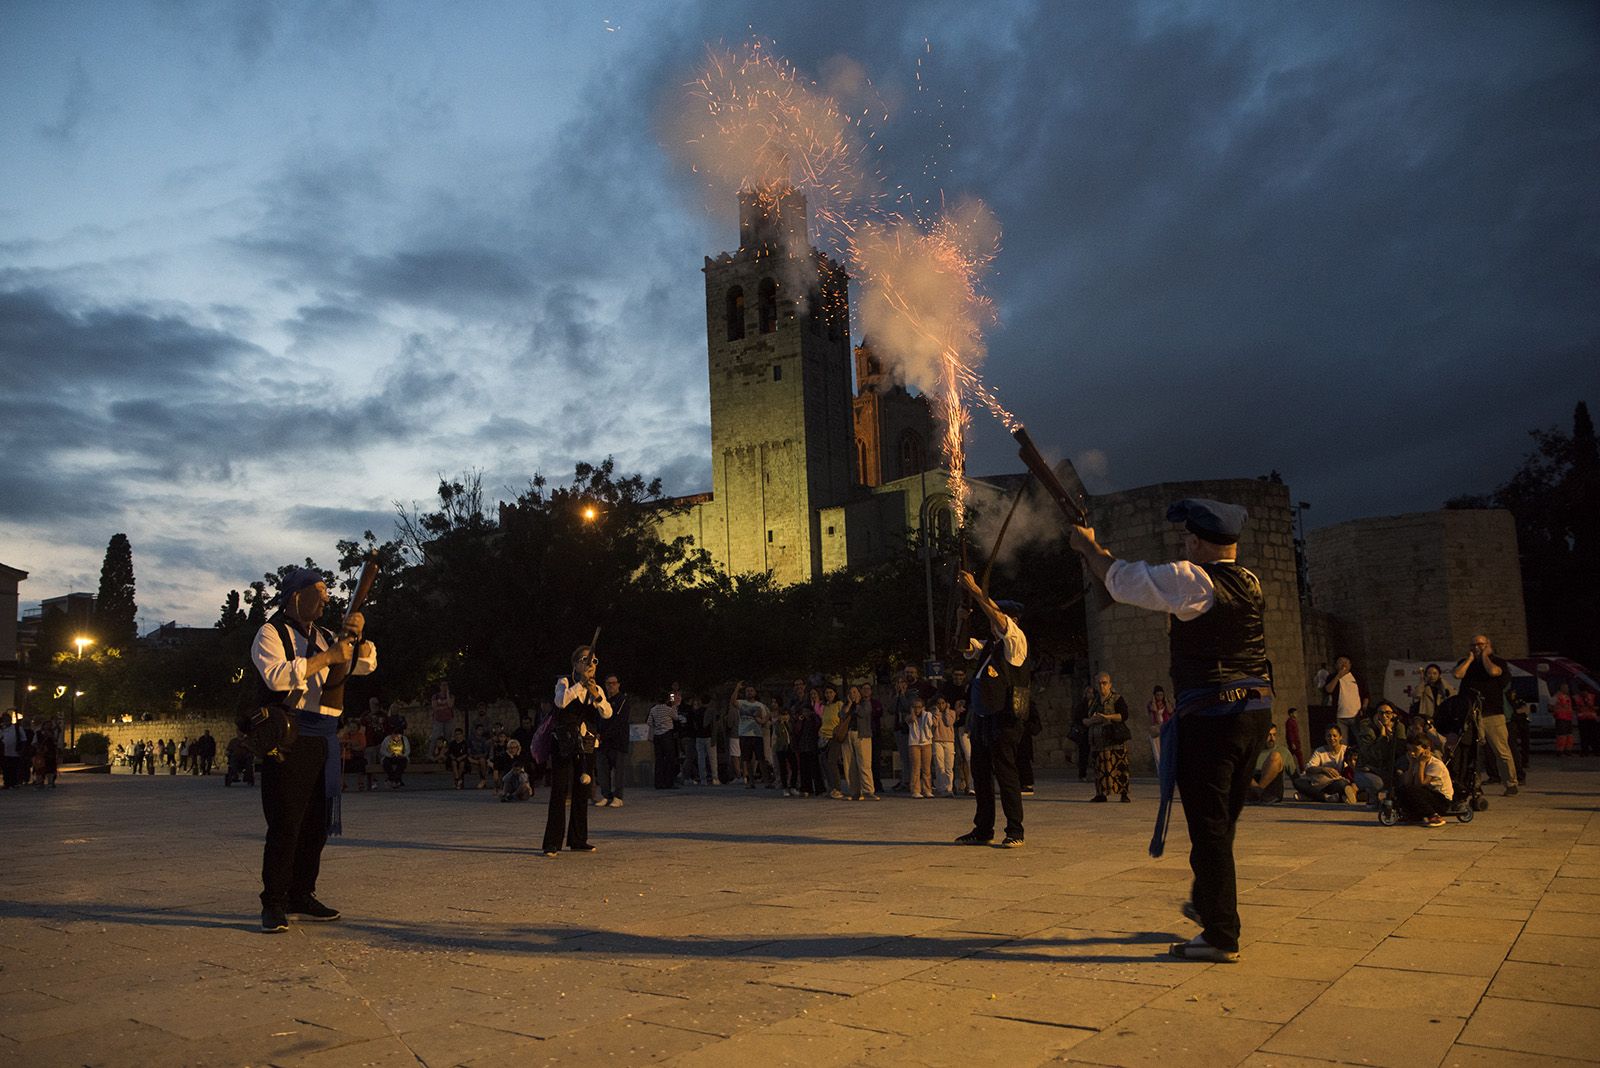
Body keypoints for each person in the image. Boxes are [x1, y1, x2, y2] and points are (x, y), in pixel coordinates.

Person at [1069, 497, 1271, 964]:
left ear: (1198, 541)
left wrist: (1089, 547)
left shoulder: (1191, 580)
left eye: (1188, 538)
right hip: (1253, 712)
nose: (1185, 545)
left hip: (1214, 718)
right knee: (1220, 823)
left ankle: (1221, 934)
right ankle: (1208, 904)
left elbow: (1121, 580)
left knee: (1210, 826)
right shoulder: (1250, 581)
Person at [250, 566, 375, 933]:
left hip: (324, 737)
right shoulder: (270, 633)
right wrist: (327, 657)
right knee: (286, 822)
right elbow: (275, 675)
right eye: (317, 590)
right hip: (291, 737)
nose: (325, 597)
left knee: (316, 824)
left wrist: (356, 636)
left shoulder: (324, 636)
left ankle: (301, 894)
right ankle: (273, 902)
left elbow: (364, 664)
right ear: (295, 596)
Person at [952, 570, 1029, 849]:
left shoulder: (1016, 642)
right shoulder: (988, 647)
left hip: (1005, 718)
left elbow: (999, 619)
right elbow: (962, 646)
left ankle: (1015, 830)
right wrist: (963, 620)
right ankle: (983, 829)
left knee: (1006, 774)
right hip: (983, 719)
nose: (994, 623)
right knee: (981, 775)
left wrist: (975, 590)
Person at [542, 644, 612, 856]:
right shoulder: (564, 682)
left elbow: (607, 713)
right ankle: (552, 842)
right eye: (585, 660)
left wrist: (596, 696)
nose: (590, 664)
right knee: (560, 790)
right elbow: (560, 702)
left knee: (583, 790)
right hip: (565, 743)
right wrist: (580, 685)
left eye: (594, 661)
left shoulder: (597, 688)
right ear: (575, 664)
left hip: (587, 743)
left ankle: (578, 839)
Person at [1453, 634, 1518, 795]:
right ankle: (1474, 784)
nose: (1476, 647)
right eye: (1473, 645)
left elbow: (1494, 672)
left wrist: (1484, 656)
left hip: (1492, 713)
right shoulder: (1466, 663)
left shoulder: (1497, 662)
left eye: (1480, 644)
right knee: (1473, 751)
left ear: (1488, 645)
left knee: (1501, 750)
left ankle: (1511, 783)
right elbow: (1457, 674)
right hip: (1471, 714)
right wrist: (1469, 659)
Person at [1081, 672, 1132, 803]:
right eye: (1099, 683)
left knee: (1119, 767)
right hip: (1098, 740)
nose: (1102, 686)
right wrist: (1090, 721)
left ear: (1110, 684)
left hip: (1114, 738)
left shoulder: (1117, 699)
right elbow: (1085, 717)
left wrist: (1108, 717)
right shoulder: (1094, 701)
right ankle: (1101, 793)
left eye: (1104, 683)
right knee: (1100, 767)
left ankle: (1123, 793)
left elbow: (1123, 715)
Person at [1396, 731, 1454, 827]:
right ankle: (1414, 816)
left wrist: (1422, 764)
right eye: (1409, 750)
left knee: (1413, 790)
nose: (1412, 753)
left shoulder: (1435, 764)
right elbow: (1407, 783)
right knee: (1401, 789)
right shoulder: (1415, 761)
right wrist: (1411, 764)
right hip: (1428, 795)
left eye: (1415, 749)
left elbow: (1420, 783)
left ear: (1427, 749)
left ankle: (1434, 816)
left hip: (1441, 800)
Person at [1353, 701, 1405, 806]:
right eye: (1381, 713)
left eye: (1388, 713)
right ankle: (1371, 795)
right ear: (1376, 715)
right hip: (1368, 768)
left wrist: (1391, 737)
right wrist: (1382, 735)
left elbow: (1401, 750)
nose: (1384, 716)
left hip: (1388, 767)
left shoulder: (1398, 727)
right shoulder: (1367, 728)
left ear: (1393, 715)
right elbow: (1372, 754)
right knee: (1377, 784)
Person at [1295, 725, 1357, 804]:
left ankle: (1312, 796)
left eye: (1335, 736)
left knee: (1343, 784)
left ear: (1340, 737)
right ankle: (1327, 797)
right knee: (1298, 782)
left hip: (1335, 783)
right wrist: (1323, 769)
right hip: (1320, 784)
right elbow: (1309, 768)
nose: (1332, 738)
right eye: (1329, 736)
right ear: (1325, 737)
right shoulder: (1320, 751)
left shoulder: (1346, 750)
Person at [597, 674, 633, 805]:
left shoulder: (623, 700)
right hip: (603, 742)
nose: (611, 686)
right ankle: (606, 795)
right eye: (608, 683)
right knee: (602, 770)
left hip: (618, 741)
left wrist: (605, 735)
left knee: (618, 771)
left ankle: (618, 797)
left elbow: (619, 722)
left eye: (613, 683)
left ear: (618, 684)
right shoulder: (602, 700)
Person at [841, 683, 878, 801]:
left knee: (864, 763)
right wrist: (850, 703)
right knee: (850, 764)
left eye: (855, 692)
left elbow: (863, 713)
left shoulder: (865, 703)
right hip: (848, 735)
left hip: (862, 735)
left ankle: (868, 790)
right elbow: (841, 715)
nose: (853, 694)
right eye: (851, 692)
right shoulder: (847, 705)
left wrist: (856, 704)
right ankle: (854, 791)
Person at [1247, 723, 1296, 804]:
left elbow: (1295, 778)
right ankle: (1257, 793)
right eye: (1269, 735)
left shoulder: (1283, 751)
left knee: (1275, 756)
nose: (1272, 738)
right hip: (1252, 786)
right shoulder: (1252, 751)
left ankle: (1258, 792)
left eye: (1274, 735)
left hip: (1271, 792)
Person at [731, 683, 767, 788]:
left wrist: (759, 720)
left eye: (751, 690)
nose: (749, 692)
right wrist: (737, 688)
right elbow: (733, 701)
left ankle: (766, 780)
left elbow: (763, 720)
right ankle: (751, 781)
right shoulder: (741, 703)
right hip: (744, 734)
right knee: (746, 759)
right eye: (747, 691)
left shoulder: (760, 705)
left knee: (761, 758)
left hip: (756, 734)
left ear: (755, 693)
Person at [647, 692, 683, 790]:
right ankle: (668, 782)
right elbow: (675, 717)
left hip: (657, 736)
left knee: (659, 760)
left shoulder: (653, 709)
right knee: (669, 759)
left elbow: (649, 722)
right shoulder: (668, 709)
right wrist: (674, 705)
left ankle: (658, 783)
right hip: (667, 735)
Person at [1323, 657, 1362, 745]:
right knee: (1342, 743)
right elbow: (1329, 690)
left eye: (1346, 662)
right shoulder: (1332, 677)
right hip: (1340, 716)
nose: (1343, 664)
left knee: (1360, 740)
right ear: (1336, 665)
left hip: (1356, 715)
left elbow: (1365, 693)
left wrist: (1363, 708)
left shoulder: (1356, 677)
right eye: (1340, 662)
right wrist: (1338, 676)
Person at [793, 690, 822, 797]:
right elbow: (796, 731)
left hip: (812, 745)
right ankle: (806, 788)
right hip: (803, 746)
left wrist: (812, 716)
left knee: (815, 768)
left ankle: (819, 788)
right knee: (804, 769)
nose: (805, 713)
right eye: (803, 711)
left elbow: (818, 726)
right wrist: (800, 720)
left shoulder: (814, 719)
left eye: (807, 711)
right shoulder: (801, 720)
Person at [819, 684, 845, 799]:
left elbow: (843, 719)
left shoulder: (839, 705)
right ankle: (831, 787)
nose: (829, 695)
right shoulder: (825, 707)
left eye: (831, 692)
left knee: (832, 761)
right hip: (824, 737)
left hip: (834, 736)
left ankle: (837, 788)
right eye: (827, 693)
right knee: (824, 763)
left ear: (835, 693)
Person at [906, 696, 934, 798]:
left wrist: (925, 713)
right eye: (915, 707)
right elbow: (911, 719)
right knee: (916, 767)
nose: (917, 709)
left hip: (926, 743)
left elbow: (931, 724)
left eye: (919, 707)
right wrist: (912, 712)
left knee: (927, 768)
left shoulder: (927, 715)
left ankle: (927, 789)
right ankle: (916, 790)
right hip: (914, 744)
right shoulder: (909, 716)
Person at [930, 694, 957, 798]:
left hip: (949, 741)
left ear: (946, 704)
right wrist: (936, 714)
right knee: (939, 765)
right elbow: (934, 724)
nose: (941, 705)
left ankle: (949, 788)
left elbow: (949, 722)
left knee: (949, 766)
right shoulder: (933, 713)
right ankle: (941, 787)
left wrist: (946, 711)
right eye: (938, 703)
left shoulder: (952, 713)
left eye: (943, 703)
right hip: (937, 740)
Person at [1147, 685, 1171, 767]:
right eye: (1158, 695)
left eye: (1161, 695)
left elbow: (1170, 711)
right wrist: (1154, 702)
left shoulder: (1166, 703)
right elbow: (1154, 712)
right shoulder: (1151, 704)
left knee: (1167, 750)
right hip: (1156, 729)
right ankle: (1160, 769)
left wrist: (1166, 701)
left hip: (1165, 728)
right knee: (1157, 753)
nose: (1160, 697)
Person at [1552, 682, 1575, 757]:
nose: (1568, 689)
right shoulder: (1556, 696)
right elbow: (1550, 706)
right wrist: (1556, 712)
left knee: (1569, 736)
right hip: (1561, 718)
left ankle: (1568, 751)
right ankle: (1560, 752)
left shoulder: (1567, 696)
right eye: (1566, 687)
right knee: (1561, 736)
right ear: (1562, 688)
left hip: (1568, 718)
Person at [1577, 685, 1600, 757]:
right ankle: (1585, 751)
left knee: (1594, 736)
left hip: (1592, 719)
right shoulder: (1577, 698)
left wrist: (1591, 706)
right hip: (1582, 719)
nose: (1583, 693)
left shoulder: (1593, 697)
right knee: (1584, 736)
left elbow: (1597, 707)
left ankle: (1596, 751)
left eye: (1584, 692)